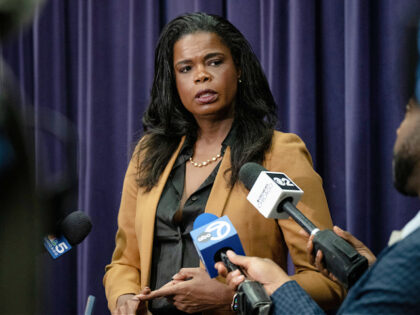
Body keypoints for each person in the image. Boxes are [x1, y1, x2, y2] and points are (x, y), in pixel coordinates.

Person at [103, 12, 344, 315]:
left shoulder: (277, 153)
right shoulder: (149, 155)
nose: (201, 75)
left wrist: (234, 297)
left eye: (214, 62)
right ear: (173, 81)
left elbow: (327, 281)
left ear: (239, 68)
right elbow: (125, 262)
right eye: (186, 68)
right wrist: (124, 296)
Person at [216, 97, 420, 314]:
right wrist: (370, 273)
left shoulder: (412, 254)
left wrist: (280, 288)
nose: (398, 129)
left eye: (408, 112)